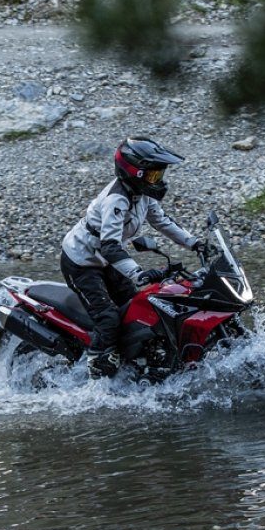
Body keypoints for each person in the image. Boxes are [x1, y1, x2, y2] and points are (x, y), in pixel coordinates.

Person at [60, 136, 204, 377]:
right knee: (108, 318)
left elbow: (162, 221)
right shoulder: (117, 199)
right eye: (153, 175)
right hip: (81, 262)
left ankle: (136, 362)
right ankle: (94, 371)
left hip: (106, 261)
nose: (157, 180)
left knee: (137, 309)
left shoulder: (143, 194)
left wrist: (196, 244)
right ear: (134, 172)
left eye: (159, 175)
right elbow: (110, 247)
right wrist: (138, 273)